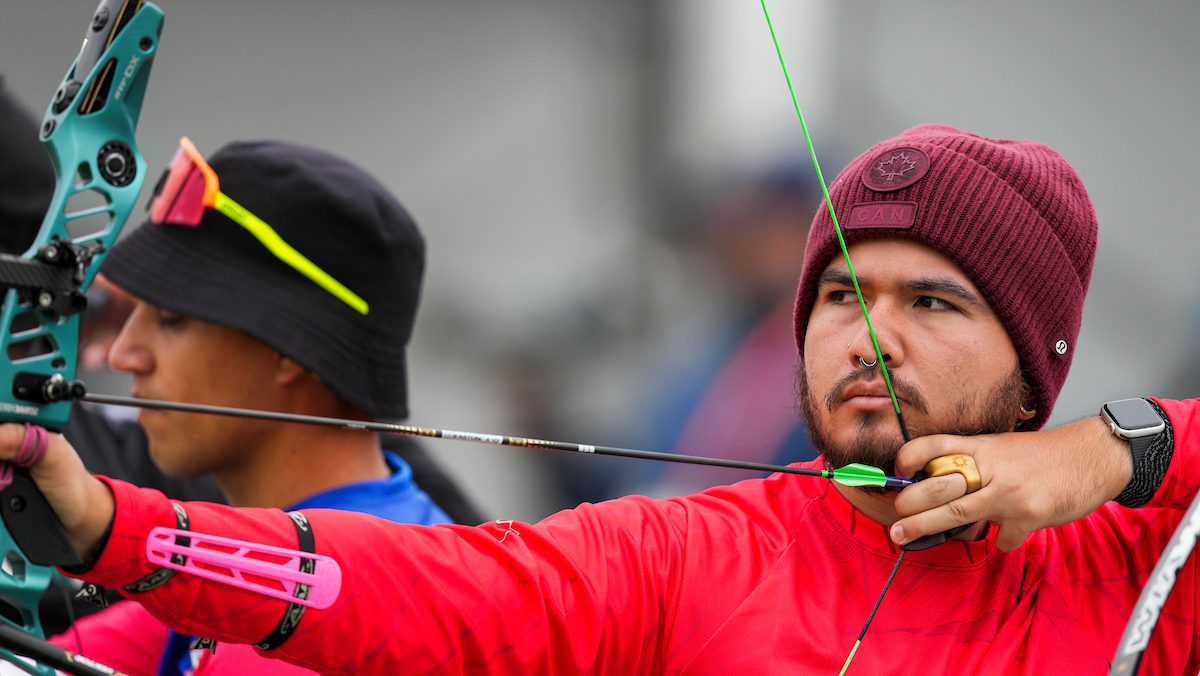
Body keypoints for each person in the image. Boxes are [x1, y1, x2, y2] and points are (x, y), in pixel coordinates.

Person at [8, 124, 1198, 673]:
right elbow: (426, 589)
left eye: (933, 303)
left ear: (1033, 359)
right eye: (841, 294)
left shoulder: (1144, 564)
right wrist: (116, 527)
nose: (868, 336)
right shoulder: (700, 554)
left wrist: (1116, 449)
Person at [40, 137, 483, 674]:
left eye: (171, 319)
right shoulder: (232, 577)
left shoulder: (321, 629)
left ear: (288, 349)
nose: (123, 353)